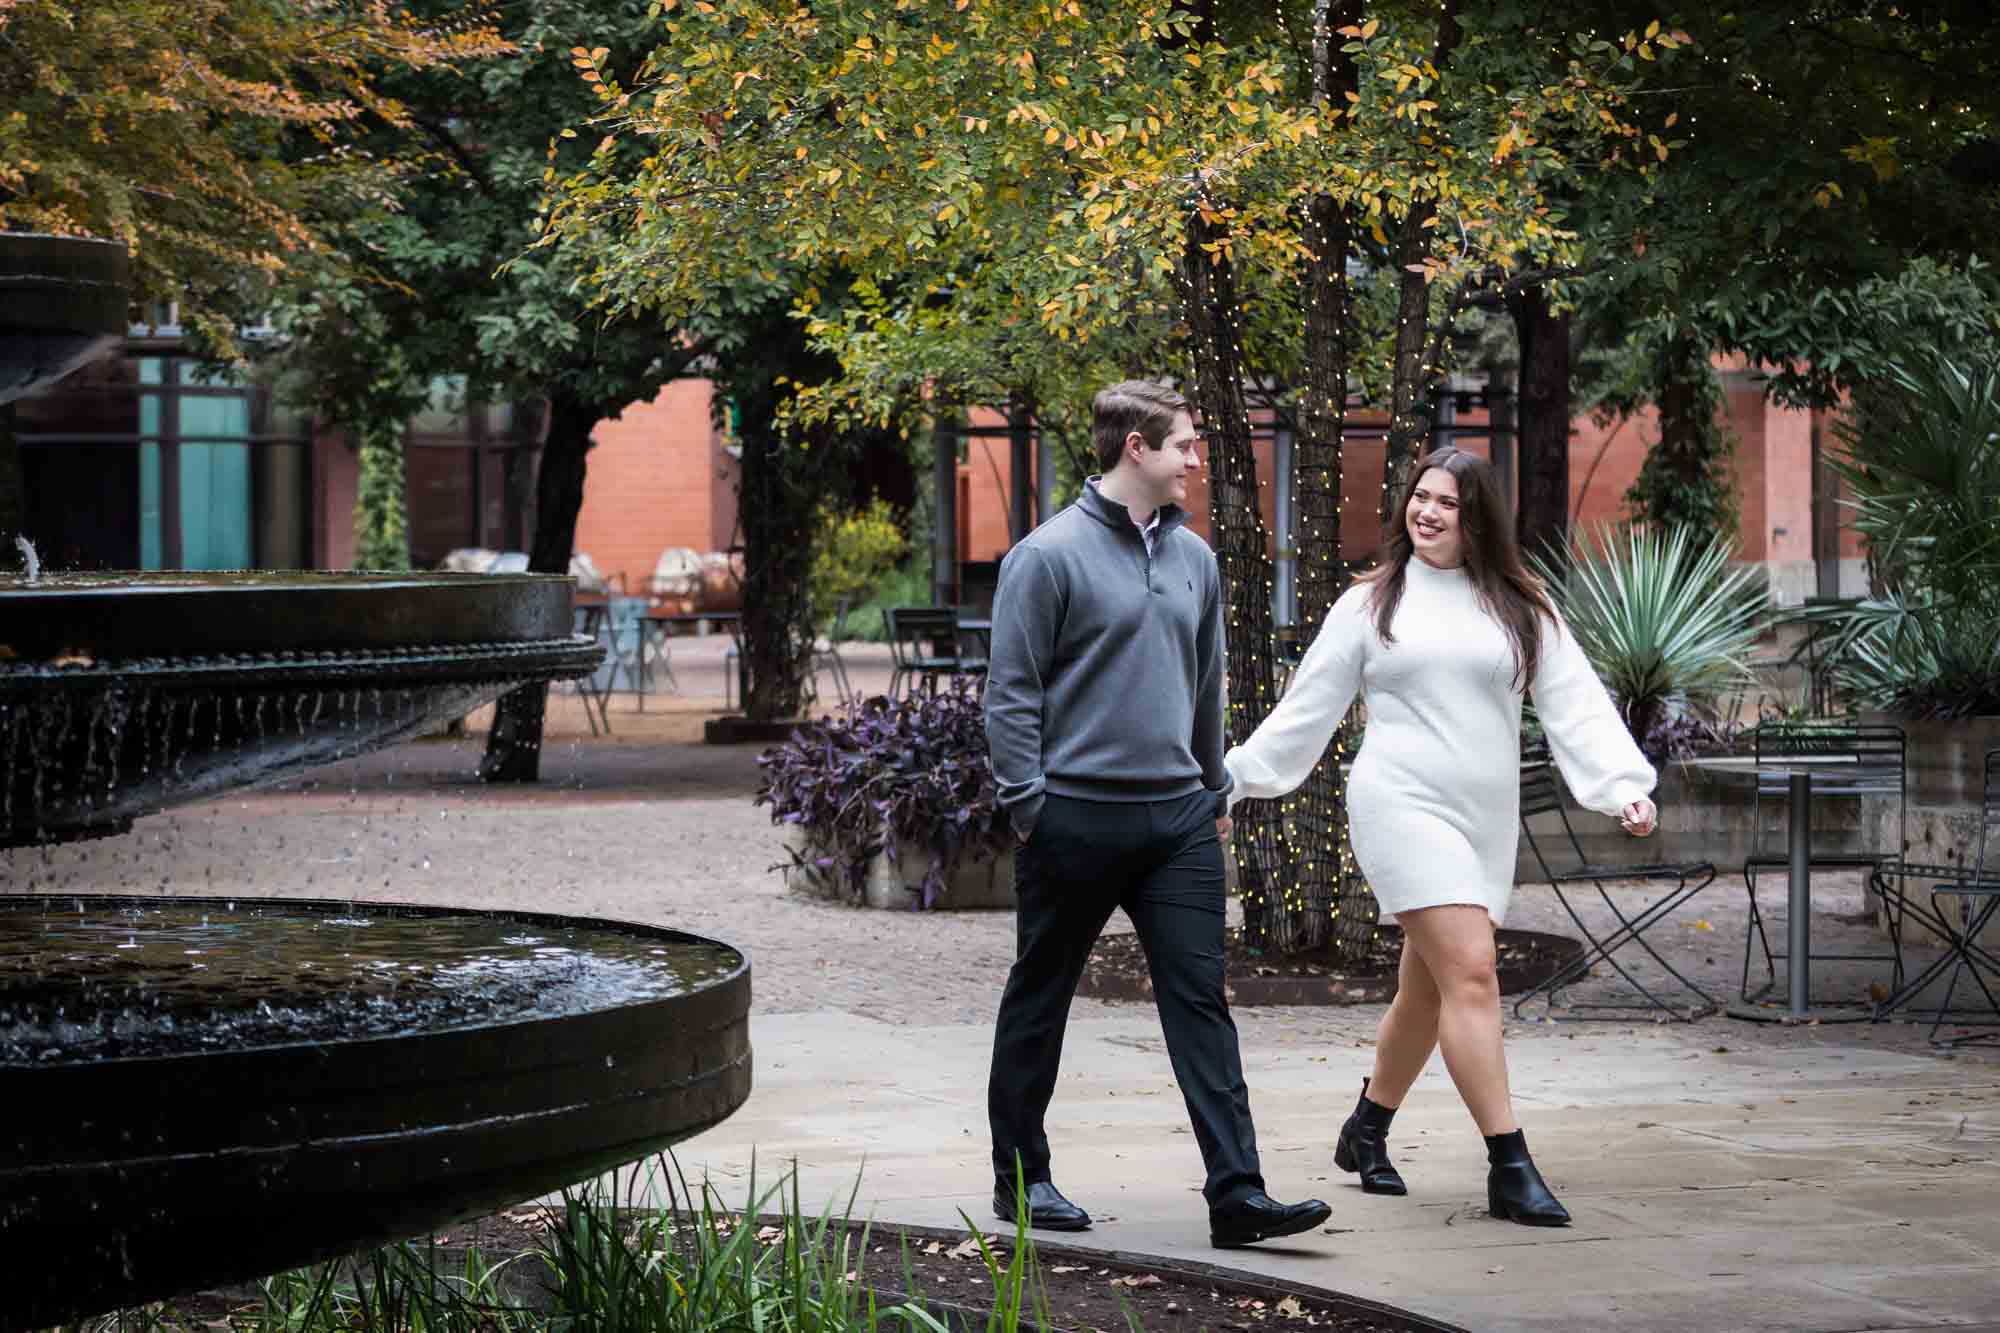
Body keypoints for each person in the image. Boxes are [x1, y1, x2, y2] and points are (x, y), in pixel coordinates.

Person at [1223, 446, 1658, 1227]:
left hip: (1481, 819)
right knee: (1474, 974)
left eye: (1446, 503)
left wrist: (1623, 786)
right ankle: (1510, 1163)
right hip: (1400, 804)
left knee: (1426, 990)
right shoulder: (1369, 603)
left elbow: (1576, 703)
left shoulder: (1520, 606)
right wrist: (1239, 775)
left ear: (1477, 517)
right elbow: (1306, 709)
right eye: (1418, 498)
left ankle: (1367, 1127)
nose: (1425, 512)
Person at [984, 379, 1331, 1249]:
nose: (1195, 458)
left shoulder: (1196, 560)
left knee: (1200, 1001)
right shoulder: (1046, 556)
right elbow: (1011, 696)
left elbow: (1207, 684)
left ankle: (1238, 1193)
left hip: (1178, 820)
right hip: (1074, 819)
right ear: (1134, 448)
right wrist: (1031, 807)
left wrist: (1213, 788)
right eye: (1184, 443)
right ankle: (1021, 1179)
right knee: (1042, 995)